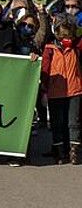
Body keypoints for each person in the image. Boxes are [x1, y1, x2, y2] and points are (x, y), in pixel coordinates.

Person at [41, 15, 82, 164]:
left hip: (74, 90)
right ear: (57, 33)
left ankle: (74, 152)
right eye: (63, 35)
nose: (67, 38)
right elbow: (45, 69)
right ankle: (59, 152)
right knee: (57, 123)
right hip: (55, 92)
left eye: (69, 34)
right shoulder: (49, 48)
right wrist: (44, 88)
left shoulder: (77, 47)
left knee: (73, 122)